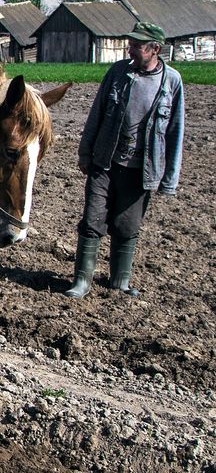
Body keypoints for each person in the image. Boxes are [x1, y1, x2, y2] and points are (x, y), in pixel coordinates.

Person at [65, 21, 184, 298]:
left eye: (137, 46)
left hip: (140, 170)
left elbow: (175, 132)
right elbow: (97, 113)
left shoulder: (171, 82)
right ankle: (82, 282)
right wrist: (85, 152)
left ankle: (119, 282)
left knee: (127, 225)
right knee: (92, 220)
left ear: (155, 49)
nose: (130, 49)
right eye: (130, 44)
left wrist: (169, 180)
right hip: (105, 162)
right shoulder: (118, 72)